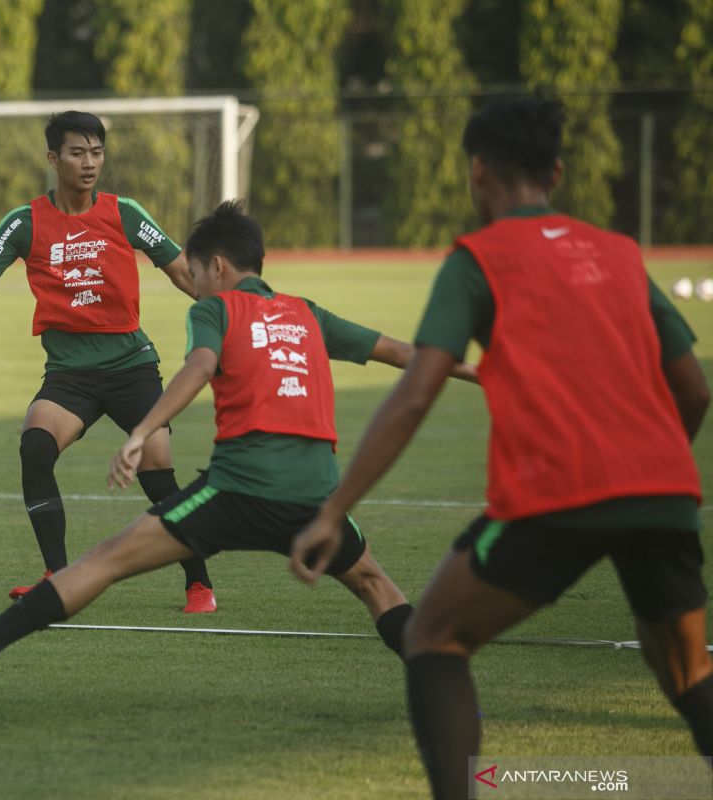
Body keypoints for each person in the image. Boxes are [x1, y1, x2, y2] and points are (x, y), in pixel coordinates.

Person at [290, 96, 712, 800]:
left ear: (477, 171)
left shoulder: (476, 260)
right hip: (665, 488)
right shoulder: (619, 252)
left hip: (557, 490)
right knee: (688, 675)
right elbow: (694, 389)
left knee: (434, 638)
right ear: (558, 170)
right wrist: (649, 471)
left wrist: (336, 510)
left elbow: (417, 393)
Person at [0, 200, 478, 682]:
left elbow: (200, 367)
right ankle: (448, 691)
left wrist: (142, 432)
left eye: (195, 273)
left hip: (236, 493)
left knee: (105, 559)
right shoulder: (308, 313)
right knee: (377, 586)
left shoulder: (216, 312)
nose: (192, 283)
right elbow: (409, 355)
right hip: (318, 502)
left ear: (218, 268)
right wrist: (486, 374)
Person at [0, 110, 216, 612]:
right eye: (78, 152)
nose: (89, 162)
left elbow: (183, 272)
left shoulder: (125, 213)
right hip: (70, 375)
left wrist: (225, 311)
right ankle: (57, 576)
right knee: (35, 446)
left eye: (97, 152)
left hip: (131, 366)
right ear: (54, 158)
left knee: (158, 471)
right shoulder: (25, 221)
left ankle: (198, 582)